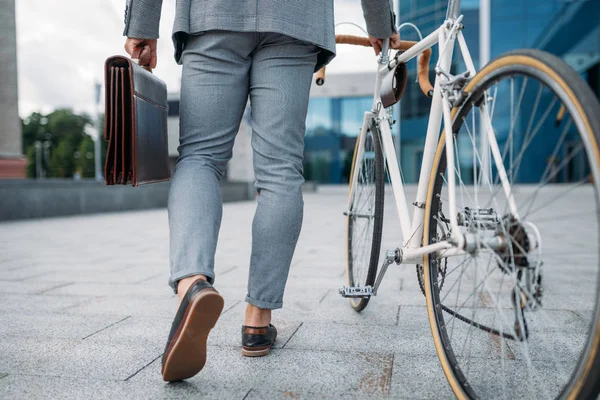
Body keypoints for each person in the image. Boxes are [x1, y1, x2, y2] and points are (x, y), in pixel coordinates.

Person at [122, 0, 400, 382]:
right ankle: (257, 320)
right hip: (296, 20)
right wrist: (380, 23)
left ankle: (192, 283)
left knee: (200, 157)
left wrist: (141, 23)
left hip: (213, 16)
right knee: (281, 171)